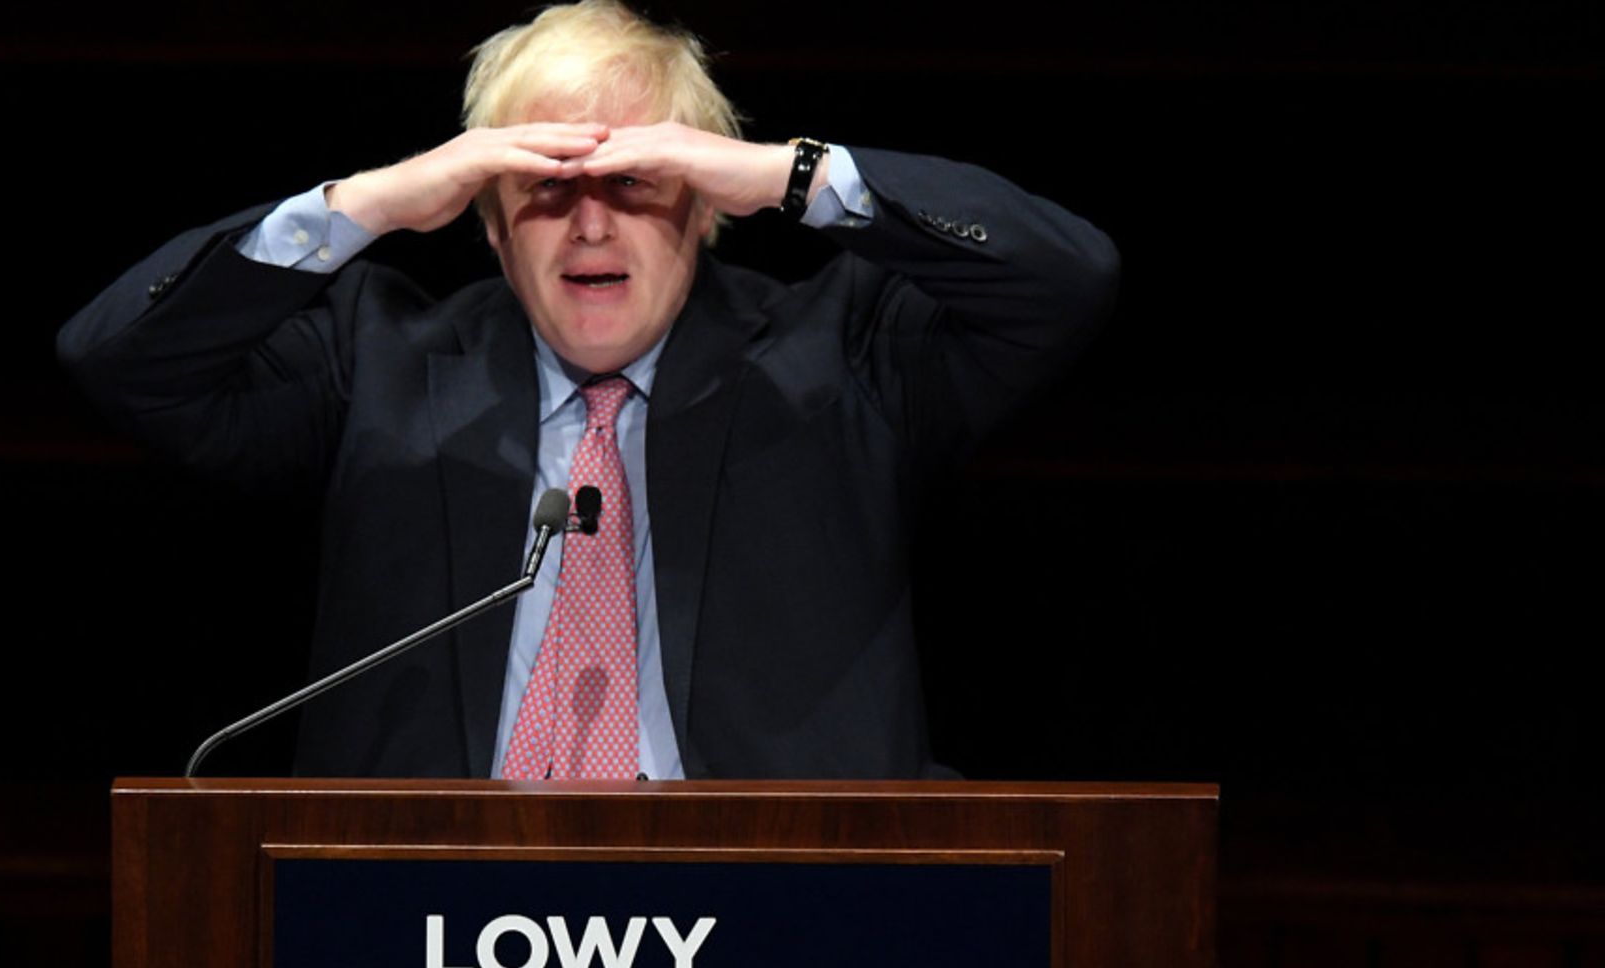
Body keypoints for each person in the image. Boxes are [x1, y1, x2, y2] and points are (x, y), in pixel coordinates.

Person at [58, 0, 1118, 780]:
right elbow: (121, 357)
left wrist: (789, 175)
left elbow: (1066, 279)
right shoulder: (372, 362)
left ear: (707, 202)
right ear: (479, 212)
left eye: (637, 181)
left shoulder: (841, 356)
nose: (594, 224)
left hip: (782, 925)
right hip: (434, 937)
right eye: (547, 188)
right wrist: (364, 203)